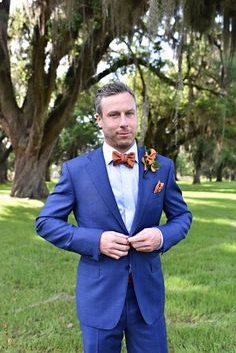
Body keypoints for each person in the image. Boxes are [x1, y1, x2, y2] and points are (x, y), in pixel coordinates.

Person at [35, 81, 192, 353]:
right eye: (114, 115)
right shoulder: (76, 171)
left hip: (148, 298)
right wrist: (96, 241)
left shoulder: (160, 166)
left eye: (129, 113)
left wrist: (161, 236)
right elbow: (46, 223)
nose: (124, 123)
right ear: (99, 119)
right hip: (99, 297)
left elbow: (182, 217)